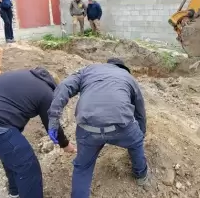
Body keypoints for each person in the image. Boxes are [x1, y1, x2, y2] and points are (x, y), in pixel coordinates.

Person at [0, 67, 76, 198]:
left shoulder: (26, 75)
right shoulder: (47, 94)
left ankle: (15, 192)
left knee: (12, 157)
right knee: (27, 166)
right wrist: (65, 144)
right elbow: (53, 127)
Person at [48, 58, 149, 198]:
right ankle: (141, 176)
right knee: (136, 142)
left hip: (88, 129)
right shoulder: (128, 77)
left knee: (83, 168)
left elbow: (64, 86)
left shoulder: (88, 70)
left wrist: (53, 118)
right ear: (123, 68)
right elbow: (140, 110)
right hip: (121, 127)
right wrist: (140, 134)